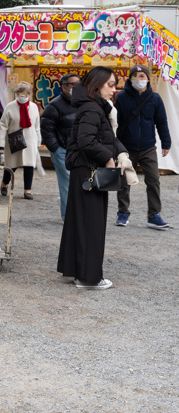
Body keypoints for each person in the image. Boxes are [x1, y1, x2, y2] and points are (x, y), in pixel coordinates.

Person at [58, 66, 127, 289]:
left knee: (81, 221)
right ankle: (88, 278)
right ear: (97, 85)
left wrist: (121, 152)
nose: (113, 89)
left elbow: (106, 136)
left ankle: (76, 271)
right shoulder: (92, 108)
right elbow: (86, 140)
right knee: (91, 224)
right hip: (89, 171)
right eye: (110, 84)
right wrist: (108, 157)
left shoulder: (93, 107)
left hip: (85, 170)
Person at [113, 65, 172, 229]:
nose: (139, 79)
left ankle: (154, 215)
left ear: (147, 78)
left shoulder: (155, 98)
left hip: (148, 147)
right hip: (126, 147)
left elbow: (162, 122)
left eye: (142, 76)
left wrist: (166, 143)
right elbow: (114, 122)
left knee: (153, 180)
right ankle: (122, 212)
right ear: (130, 78)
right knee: (124, 180)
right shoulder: (121, 97)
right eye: (135, 76)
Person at [41, 74, 80, 219]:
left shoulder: (82, 102)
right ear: (64, 87)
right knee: (67, 183)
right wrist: (55, 148)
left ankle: (76, 214)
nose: (77, 87)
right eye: (73, 85)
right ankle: (68, 217)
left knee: (78, 182)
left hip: (79, 150)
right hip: (62, 149)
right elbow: (46, 128)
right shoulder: (54, 105)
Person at [0, 82, 42, 200]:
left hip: (30, 139)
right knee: (11, 166)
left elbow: (37, 126)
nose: (22, 96)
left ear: (29, 94)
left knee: (29, 165)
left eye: (25, 93)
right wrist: (0, 143)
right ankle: (4, 183)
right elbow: (3, 125)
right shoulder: (10, 106)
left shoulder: (33, 107)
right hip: (14, 140)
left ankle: (27, 190)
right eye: (20, 93)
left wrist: (38, 141)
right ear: (16, 94)